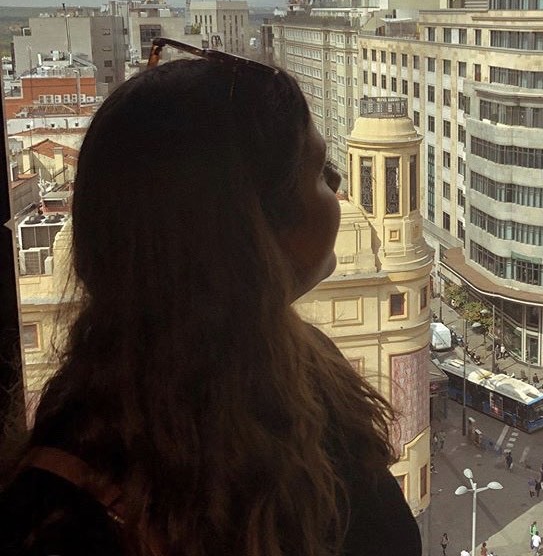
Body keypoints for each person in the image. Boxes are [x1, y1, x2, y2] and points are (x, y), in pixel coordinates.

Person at [0, 45, 422, 556]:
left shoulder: (80, 436)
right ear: (247, 235)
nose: (336, 188)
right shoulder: (62, 526)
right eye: (319, 172)